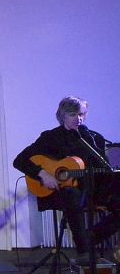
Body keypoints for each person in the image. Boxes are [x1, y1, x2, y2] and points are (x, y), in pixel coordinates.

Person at [13, 96, 119, 253]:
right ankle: (84, 248)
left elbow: (105, 170)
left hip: (92, 189)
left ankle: (88, 239)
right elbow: (19, 160)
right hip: (59, 191)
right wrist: (42, 173)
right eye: (73, 115)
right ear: (63, 116)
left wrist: (91, 142)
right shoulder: (50, 137)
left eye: (81, 114)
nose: (79, 119)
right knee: (71, 193)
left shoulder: (93, 138)